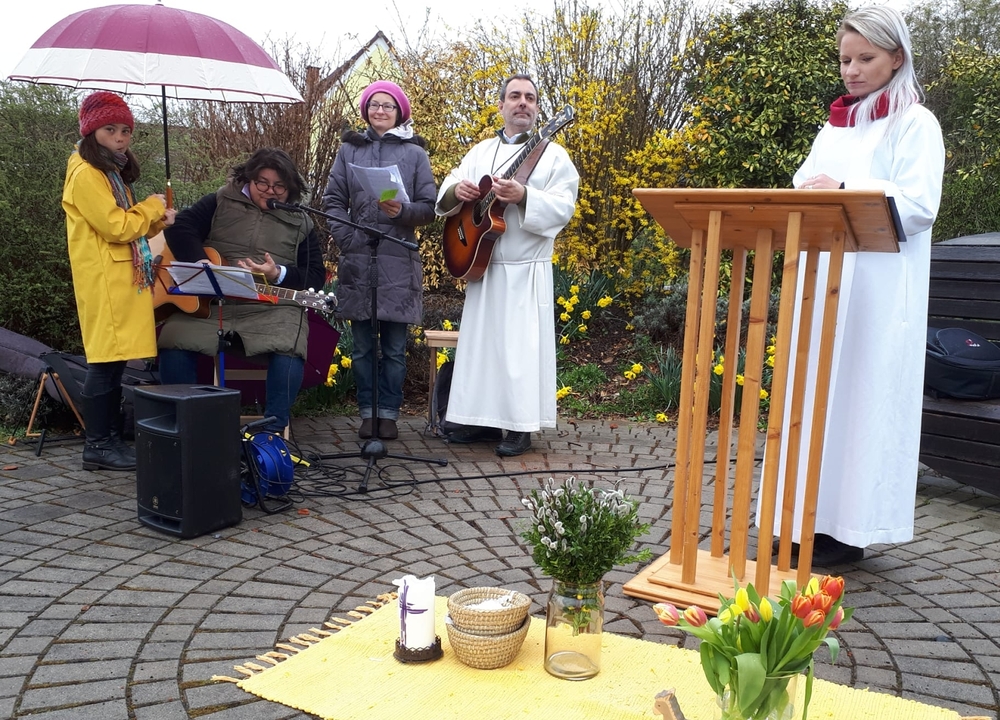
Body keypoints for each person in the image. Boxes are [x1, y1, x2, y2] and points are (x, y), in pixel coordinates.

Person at [759, 6, 945, 566]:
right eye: (845, 60)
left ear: (897, 57)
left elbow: (918, 204)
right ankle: (799, 518)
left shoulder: (915, 123)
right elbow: (804, 184)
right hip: (824, 286)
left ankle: (848, 530)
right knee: (812, 399)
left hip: (877, 293)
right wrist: (812, 192)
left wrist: (843, 188)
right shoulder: (836, 125)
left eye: (865, 58)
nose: (852, 70)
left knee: (860, 401)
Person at [435, 74, 580, 457]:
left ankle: (519, 426)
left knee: (519, 353)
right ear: (501, 105)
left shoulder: (553, 155)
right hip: (483, 265)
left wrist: (525, 196)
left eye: (530, 97)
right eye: (515, 96)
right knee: (483, 350)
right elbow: (449, 189)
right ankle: (481, 421)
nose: (522, 103)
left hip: (525, 268)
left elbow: (564, 206)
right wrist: (457, 191)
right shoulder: (480, 152)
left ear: (538, 108)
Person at [157, 148, 325, 433]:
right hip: (213, 304)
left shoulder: (301, 222)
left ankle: (271, 432)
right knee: (174, 337)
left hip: (272, 307)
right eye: (262, 183)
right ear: (249, 178)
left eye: (279, 186)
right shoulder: (221, 200)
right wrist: (199, 259)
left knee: (291, 344)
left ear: (290, 188)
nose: (269, 191)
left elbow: (316, 276)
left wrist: (278, 273)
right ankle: (185, 428)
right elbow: (180, 226)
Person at [62, 91, 176, 471]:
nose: (120, 137)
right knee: (104, 363)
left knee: (114, 362)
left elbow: (128, 226)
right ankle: (98, 444)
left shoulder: (110, 171)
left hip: (119, 277)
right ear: (92, 130)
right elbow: (115, 226)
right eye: (110, 129)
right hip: (104, 280)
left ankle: (108, 441)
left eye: (125, 130)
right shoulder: (87, 173)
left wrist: (157, 220)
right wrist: (151, 207)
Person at [322, 81, 436, 441]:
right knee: (362, 348)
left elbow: (429, 208)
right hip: (359, 259)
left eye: (388, 105)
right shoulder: (348, 150)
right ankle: (367, 412)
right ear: (366, 110)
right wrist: (348, 238)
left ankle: (388, 414)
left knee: (394, 349)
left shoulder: (415, 154)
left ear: (399, 112)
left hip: (398, 259)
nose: (380, 111)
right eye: (374, 105)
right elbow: (332, 200)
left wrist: (402, 211)